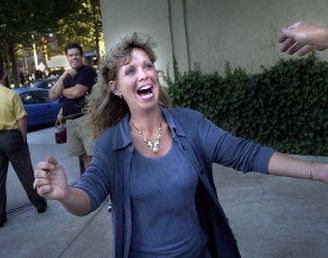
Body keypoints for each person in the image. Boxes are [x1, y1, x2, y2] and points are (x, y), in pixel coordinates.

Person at [34, 33, 328, 257]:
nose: (143, 74)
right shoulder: (111, 143)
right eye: (130, 71)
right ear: (115, 89)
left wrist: (316, 171)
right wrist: (66, 193)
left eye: (147, 66)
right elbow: (88, 197)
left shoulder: (189, 124)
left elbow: (245, 153)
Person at [0, 68, 47, 228]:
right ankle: (39, 204)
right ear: (3, 77)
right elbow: (21, 118)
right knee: (26, 173)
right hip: (11, 137)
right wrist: (23, 136)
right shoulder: (11, 94)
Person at [49, 43, 97, 174]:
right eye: (70, 55)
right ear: (67, 57)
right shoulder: (67, 75)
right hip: (70, 121)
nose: (74, 57)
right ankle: (88, 186)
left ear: (81, 56)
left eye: (76, 54)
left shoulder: (87, 71)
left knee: (93, 156)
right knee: (83, 157)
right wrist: (63, 77)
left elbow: (77, 92)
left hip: (86, 119)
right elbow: (52, 95)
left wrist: (61, 91)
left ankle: (94, 186)